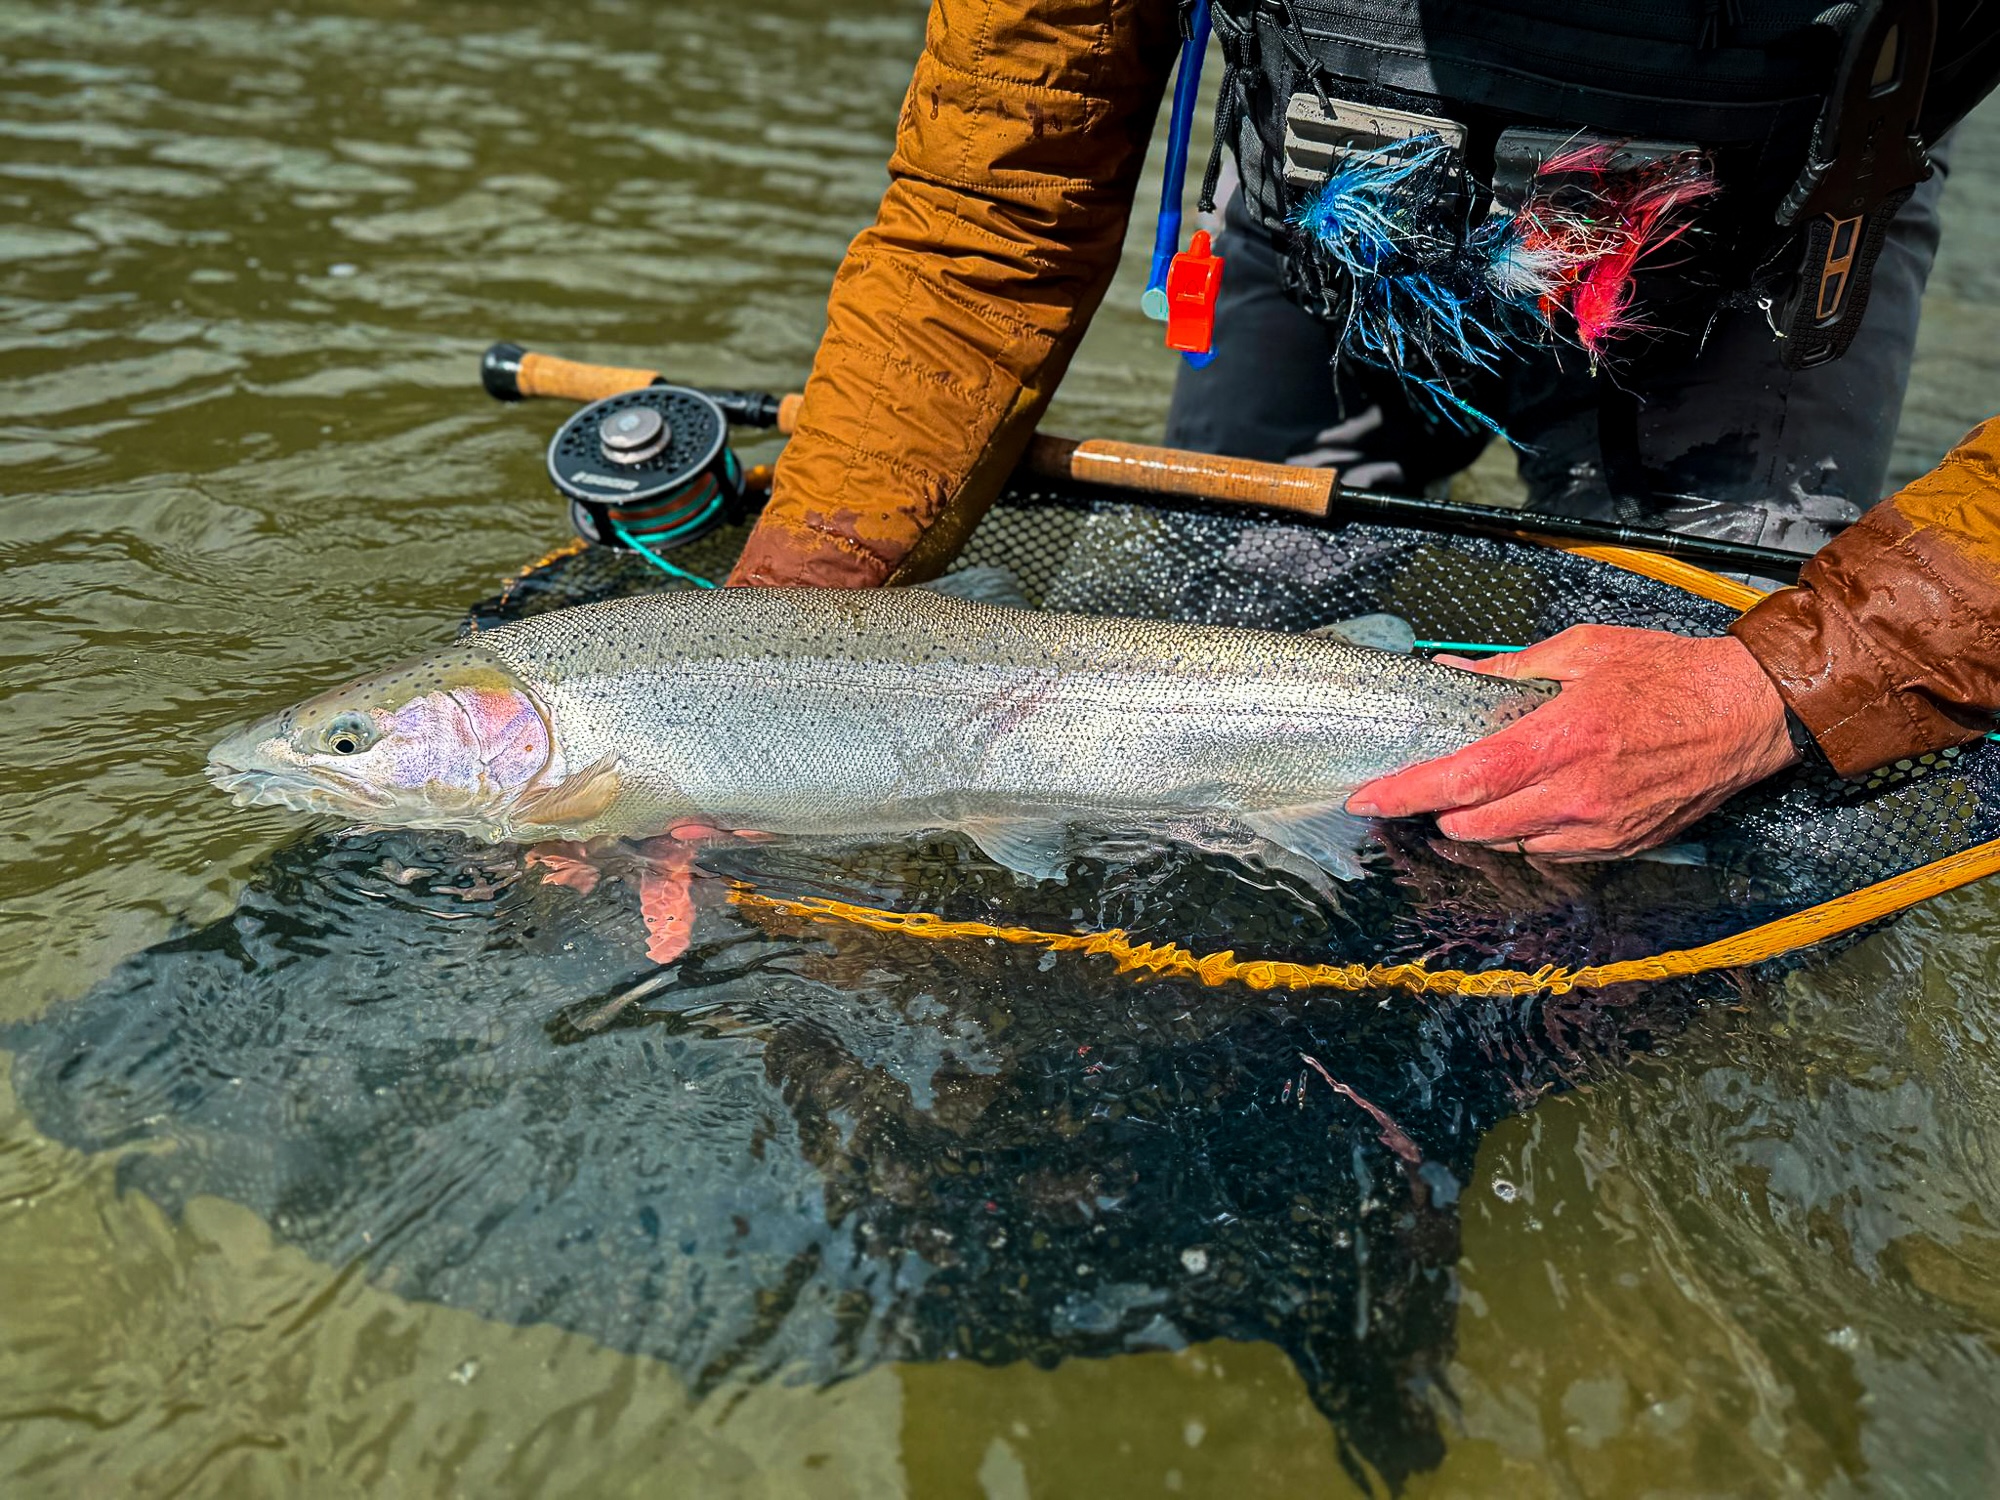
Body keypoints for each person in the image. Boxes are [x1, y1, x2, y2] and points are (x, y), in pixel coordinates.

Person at [729, 0, 2000, 857]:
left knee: (1690, 816)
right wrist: (774, 656)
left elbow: (1787, 688)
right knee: (1212, 689)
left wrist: (1773, 683)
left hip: (1759, 284)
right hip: (1315, 244)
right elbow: (986, 224)